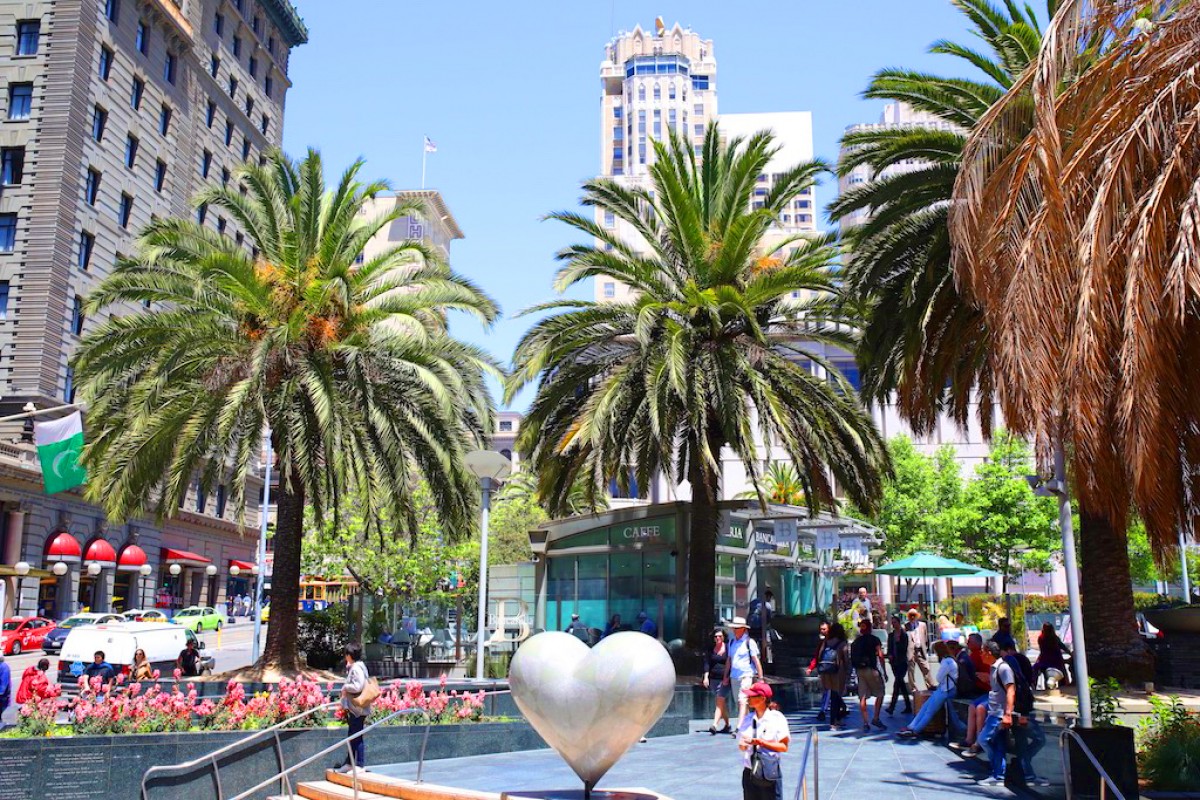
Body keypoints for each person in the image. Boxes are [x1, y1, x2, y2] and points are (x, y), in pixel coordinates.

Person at [738, 681, 790, 800]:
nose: (748, 698)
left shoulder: (776, 718)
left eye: (751, 696)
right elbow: (742, 746)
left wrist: (760, 742)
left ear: (762, 698)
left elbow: (783, 747)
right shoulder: (748, 719)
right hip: (750, 771)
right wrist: (742, 745)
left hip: (768, 771)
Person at [898, 640, 960, 737]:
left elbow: (939, 678)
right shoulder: (950, 660)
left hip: (945, 690)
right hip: (946, 688)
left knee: (929, 710)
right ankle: (912, 727)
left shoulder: (947, 662)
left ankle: (915, 730)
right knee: (926, 707)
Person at [977, 642, 1016, 787]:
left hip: (999, 713)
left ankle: (999, 772)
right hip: (994, 712)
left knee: (983, 739)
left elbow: (1011, 690)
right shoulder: (994, 669)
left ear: (988, 652)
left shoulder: (1003, 668)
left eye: (982, 651)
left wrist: (1007, 714)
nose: (980, 654)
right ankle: (998, 773)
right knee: (996, 743)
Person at [951, 632, 997, 757]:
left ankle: (978, 742)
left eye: (985, 652)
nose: (983, 654)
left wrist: (987, 679)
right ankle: (969, 739)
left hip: (993, 695)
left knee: (981, 708)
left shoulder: (998, 666)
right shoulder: (979, 658)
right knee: (972, 706)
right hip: (988, 693)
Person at [723, 617, 764, 734]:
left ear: (743, 629)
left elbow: (756, 660)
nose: (734, 630)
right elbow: (729, 660)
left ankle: (739, 726)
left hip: (746, 675)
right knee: (740, 702)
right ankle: (747, 724)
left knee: (743, 700)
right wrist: (725, 676)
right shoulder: (731, 642)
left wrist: (760, 677)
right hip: (734, 675)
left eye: (737, 628)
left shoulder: (749, 642)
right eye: (734, 628)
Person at [338, 643, 371, 773]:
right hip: (357, 708)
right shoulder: (358, 667)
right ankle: (350, 763)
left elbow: (358, 686)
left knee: (356, 735)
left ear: (349, 655)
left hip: (358, 708)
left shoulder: (356, 668)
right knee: (353, 735)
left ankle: (359, 764)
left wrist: (346, 687)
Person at [850, 618, 886, 731]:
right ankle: (876, 717)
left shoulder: (856, 642)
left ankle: (865, 722)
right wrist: (884, 670)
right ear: (870, 628)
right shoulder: (875, 640)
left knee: (862, 697)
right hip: (871, 669)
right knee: (880, 693)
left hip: (860, 671)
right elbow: (880, 655)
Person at [816, 622, 849, 729]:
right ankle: (833, 722)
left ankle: (838, 718)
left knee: (833, 694)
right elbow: (846, 657)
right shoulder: (842, 643)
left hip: (826, 670)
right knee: (836, 695)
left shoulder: (826, 642)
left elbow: (820, 655)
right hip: (838, 671)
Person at [703, 629, 732, 734]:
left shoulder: (728, 648)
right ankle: (728, 725)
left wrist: (727, 677)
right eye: (715, 637)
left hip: (725, 679)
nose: (717, 638)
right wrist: (706, 677)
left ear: (723, 637)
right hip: (713, 679)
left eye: (719, 636)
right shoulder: (711, 649)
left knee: (719, 700)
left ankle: (714, 725)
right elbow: (707, 663)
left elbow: (731, 663)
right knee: (721, 703)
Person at [885, 615, 912, 715]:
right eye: (892, 622)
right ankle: (908, 705)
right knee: (901, 684)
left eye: (895, 622)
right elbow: (889, 648)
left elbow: (904, 648)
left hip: (902, 662)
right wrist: (890, 655)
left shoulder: (903, 635)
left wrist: (898, 641)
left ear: (898, 623)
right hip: (894, 663)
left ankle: (892, 707)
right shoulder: (891, 635)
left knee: (897, 683)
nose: (893, 624)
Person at [905, 609, 935, 691]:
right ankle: (913, 688)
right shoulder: (905, 626)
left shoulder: (922, 625)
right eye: (910, 615)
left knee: (926, 668)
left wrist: (925, 647)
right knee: (911, 670)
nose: (912, 617)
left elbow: (925, 637)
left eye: (914, 615)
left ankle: (930, 685)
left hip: (920, 650)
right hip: (910, 650)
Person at [808, 621, 832, 722]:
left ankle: (824, 709)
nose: (822, 631)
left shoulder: (833, 641)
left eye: (824, 629)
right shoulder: (822, 643)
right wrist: (811, 667)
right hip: (825, 669)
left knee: (829, 691)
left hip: (832, 669)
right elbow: (817, 656)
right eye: (821, 629)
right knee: (828, 690)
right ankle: (824, 709)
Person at [0, 655, 10, 729]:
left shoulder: (4, 666)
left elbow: (4, 681)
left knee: (3, 711)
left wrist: (1, 692)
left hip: (2, 695)